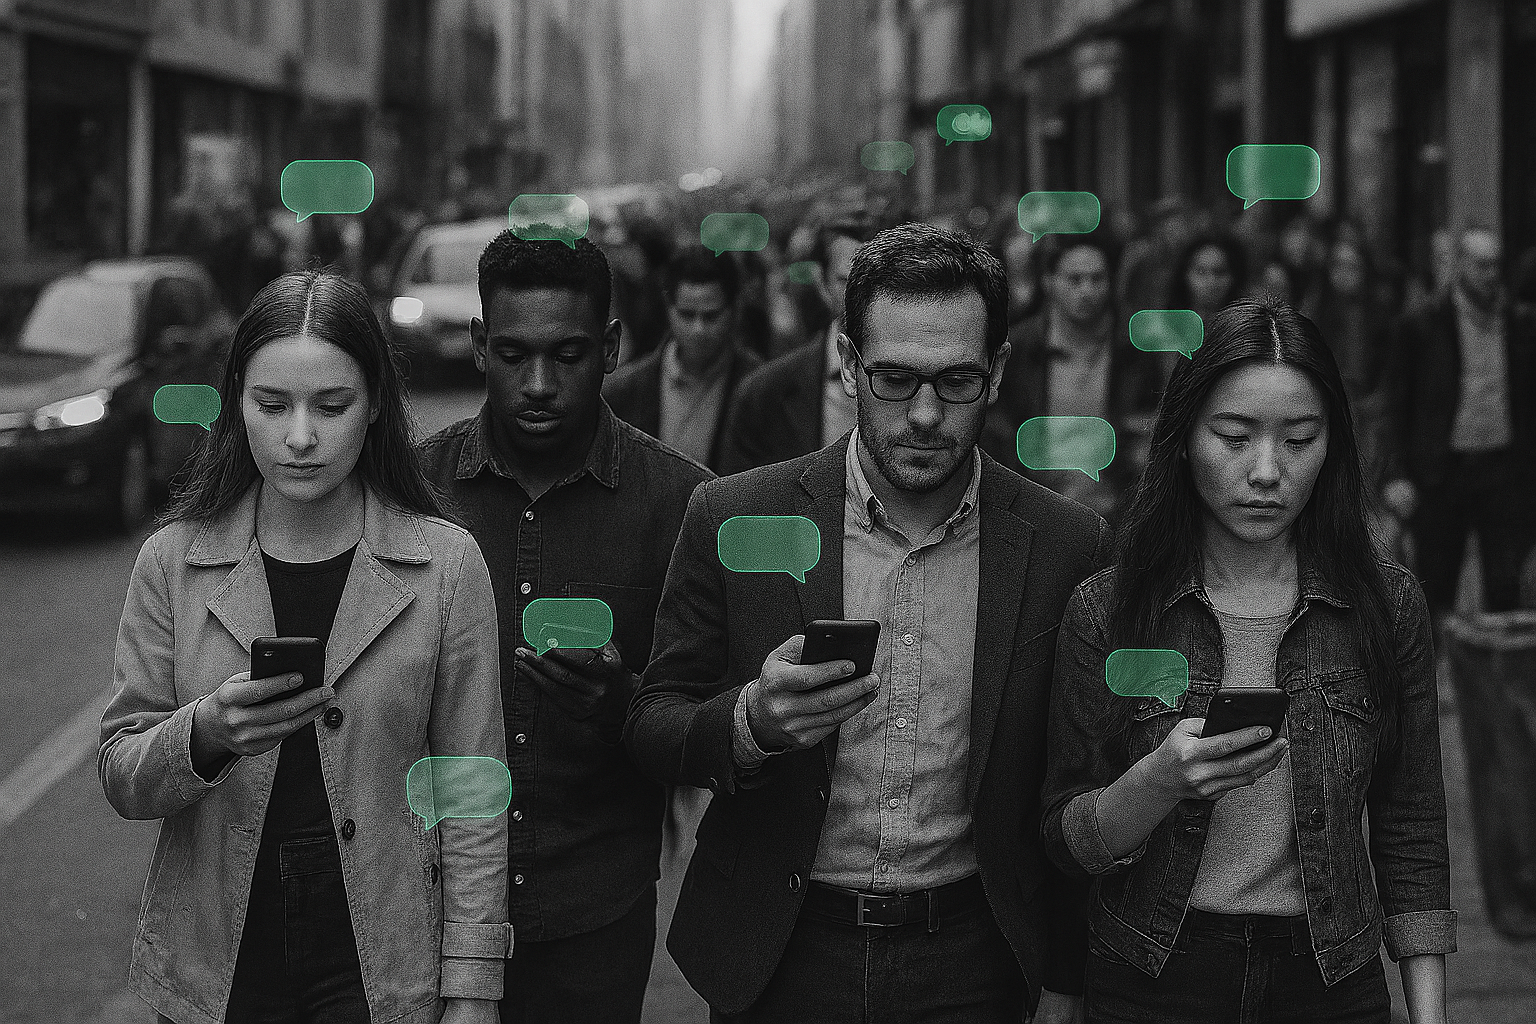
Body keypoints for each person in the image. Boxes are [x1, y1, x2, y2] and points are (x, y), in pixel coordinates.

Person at [625, 222, 1109, 1023]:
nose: (924, 414)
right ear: (849, 365)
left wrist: (1063, 977)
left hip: (977, 960)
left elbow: (1073, 781)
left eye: (955, 382)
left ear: (996, 374)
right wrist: (752, 720)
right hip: (783, 954)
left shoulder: (1065, 545)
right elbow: (653, 723)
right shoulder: (733, 514)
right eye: (894, 379)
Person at [100, 271, 510, 1024]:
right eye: (271, 405)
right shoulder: (173, 561)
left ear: (377, 403)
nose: (299, 437)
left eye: (331, 406)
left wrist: (473, 988)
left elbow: (472, 789)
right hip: (217, 949)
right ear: (237, 406)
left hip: (381, 945)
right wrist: (206, 734)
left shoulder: (445, 566)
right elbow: (124, 776)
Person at [1041, 296, 1455, 1024]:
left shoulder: (1384, 606)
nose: (1267, 471)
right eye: (1233, 436)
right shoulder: (1112, 610)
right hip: (1156, 972)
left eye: (1300, 439)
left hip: (1329, 977)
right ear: (1183, 438)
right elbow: (1067, 839)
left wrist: (1429, 1015)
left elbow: (1411, 825)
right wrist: (1158, 781)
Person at [416, 233, 713, 1024]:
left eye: (569, 355)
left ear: (612, 348)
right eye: (512, 355)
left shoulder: (683, 505)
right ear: (480, 346)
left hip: (594, 917)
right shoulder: (411, 496)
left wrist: (624, 699)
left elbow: (713, 727)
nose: (539, 384)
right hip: (422, 906)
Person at [1383, 226, 1536, 617]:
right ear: (1461, 266)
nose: (1491, 274)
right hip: (1442, 468)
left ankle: (1495, 672)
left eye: (1496, 265)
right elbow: (1398, 406)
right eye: (1482, 265)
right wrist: (1396, 472)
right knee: (1437, 585)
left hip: (1503, 468)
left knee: (1505, 584)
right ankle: (1433, 673)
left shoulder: (1519, 325)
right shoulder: (1421, 326)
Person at [981, 234, 1167, 523]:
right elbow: (999, 428)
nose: (1087, 291)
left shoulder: (1133, 349)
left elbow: (1148, 424)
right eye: (1074, 279)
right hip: (1037, 504)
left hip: (1116, 507)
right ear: (1049, 282)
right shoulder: (1020, 349)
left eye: (1097, 279)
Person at [717, 210, 885, 474]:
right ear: (821, 282)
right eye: (847, 281)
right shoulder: (765, 393)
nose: (862, 296)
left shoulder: (937, 384)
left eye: (878, 282)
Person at [603, 245, 764, 472]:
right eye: (687, 315)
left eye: (711, 316)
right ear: (669, 308)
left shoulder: (762, 386)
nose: (698, 329)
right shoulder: (625, 390)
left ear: (734, 310)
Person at [1168, 231, 1249, 330]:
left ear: (1234, 277)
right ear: (1185, 274)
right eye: (1201, 272)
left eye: (1219, 272)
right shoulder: (1165, 327)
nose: (1211, 282)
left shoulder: (1244, 329)